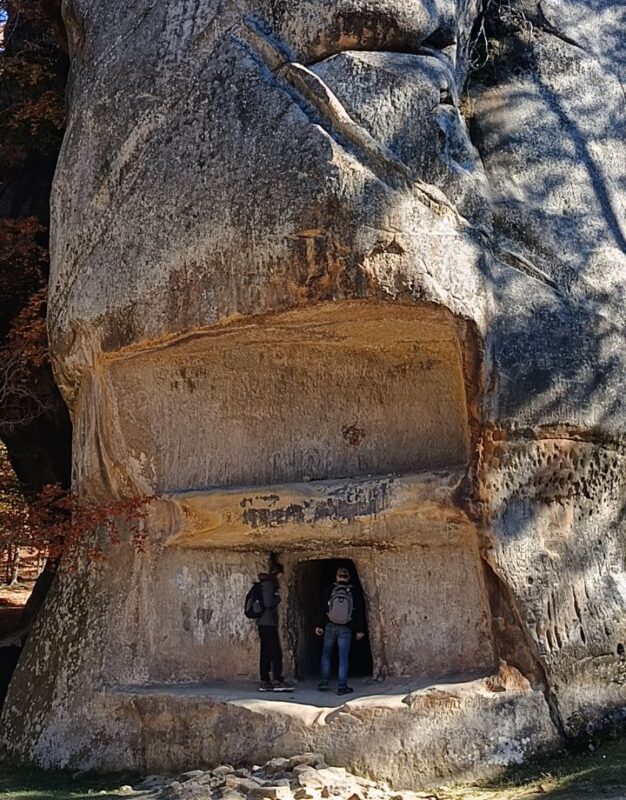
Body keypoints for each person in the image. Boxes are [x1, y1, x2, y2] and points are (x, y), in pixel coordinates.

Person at [315, 565, 366, 695]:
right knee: (343, 656)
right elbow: (359, 611)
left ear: (337, 577)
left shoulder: (330, 589)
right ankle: (342, 686)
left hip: (330, 625)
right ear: (348, 578)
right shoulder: (353, 592)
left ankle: (324, 681)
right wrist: (359, 630)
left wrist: (319, 625)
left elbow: (322, 607)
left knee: (326, 653)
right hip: (346, 627)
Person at [256, 562, 292, 692]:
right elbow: (269, 603)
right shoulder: (269, 585)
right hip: (267, 623)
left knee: (266, 652)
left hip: (264, 623)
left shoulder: (265, 584)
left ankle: (265, 680)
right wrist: (277, 598)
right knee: (276, 652)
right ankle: (277, 680)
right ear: (278, 573)